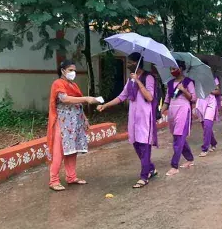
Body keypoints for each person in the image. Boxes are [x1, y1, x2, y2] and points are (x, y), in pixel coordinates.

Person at [97, 53, 159, 188]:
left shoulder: (149, 78)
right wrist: (105, 105)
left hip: (145, 118)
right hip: (133, 117)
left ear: (137, 63)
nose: (128, 65)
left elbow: (149, 97)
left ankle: (144, 177)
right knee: (136, 144)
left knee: (145, 145)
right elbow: (122, 96)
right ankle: (151, 168)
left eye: (131, 62)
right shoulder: (129, 80)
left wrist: (138, 81)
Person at [48, 59, 99, 191]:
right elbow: (65, 99)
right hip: (62, 122)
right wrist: (86, 98)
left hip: (75, 122)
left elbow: (78, 105)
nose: (73, 73)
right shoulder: (58, 83)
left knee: (72, 150)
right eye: (70, 70)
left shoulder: (74, 85)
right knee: (59, 151)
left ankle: (71, 177)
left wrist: (85, 119)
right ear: (63, 70)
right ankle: (54, 181)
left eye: (74, 70)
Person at [161, 60, 196, 176]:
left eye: (174, 68)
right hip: (172, 110)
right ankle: (190, 159)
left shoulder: (188, 82)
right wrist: (160, 111)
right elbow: (167, 100)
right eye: (170, 69)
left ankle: (174, 165)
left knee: (179, 136)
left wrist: (183, 90)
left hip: (183, 109)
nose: (172, 71)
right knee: (178, 136)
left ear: (180, 68)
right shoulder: (170, 83)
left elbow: (193, 98)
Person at [196, 64, 220, 157]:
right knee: (206, 127)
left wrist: (210, 90)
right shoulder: (197, 78)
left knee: (207, 124)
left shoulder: (214, 79)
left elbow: (218, 91)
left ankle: (205, 148)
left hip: (210, 103)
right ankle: (213, 143)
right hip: (201, 103)